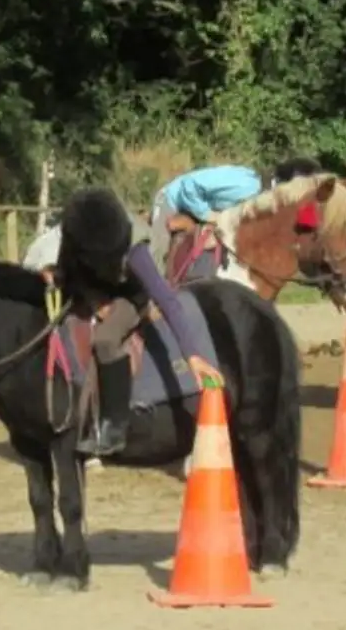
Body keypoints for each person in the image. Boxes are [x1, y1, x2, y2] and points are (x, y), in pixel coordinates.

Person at [54, 187, 223, 458]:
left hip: (132, 296)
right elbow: (66, 273)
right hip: (92, 290)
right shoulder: (76, 234)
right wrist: (90, 300)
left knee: (106, 339)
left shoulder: (135, 249)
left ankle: (115, 426)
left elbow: (166, 299)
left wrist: (193, 355)